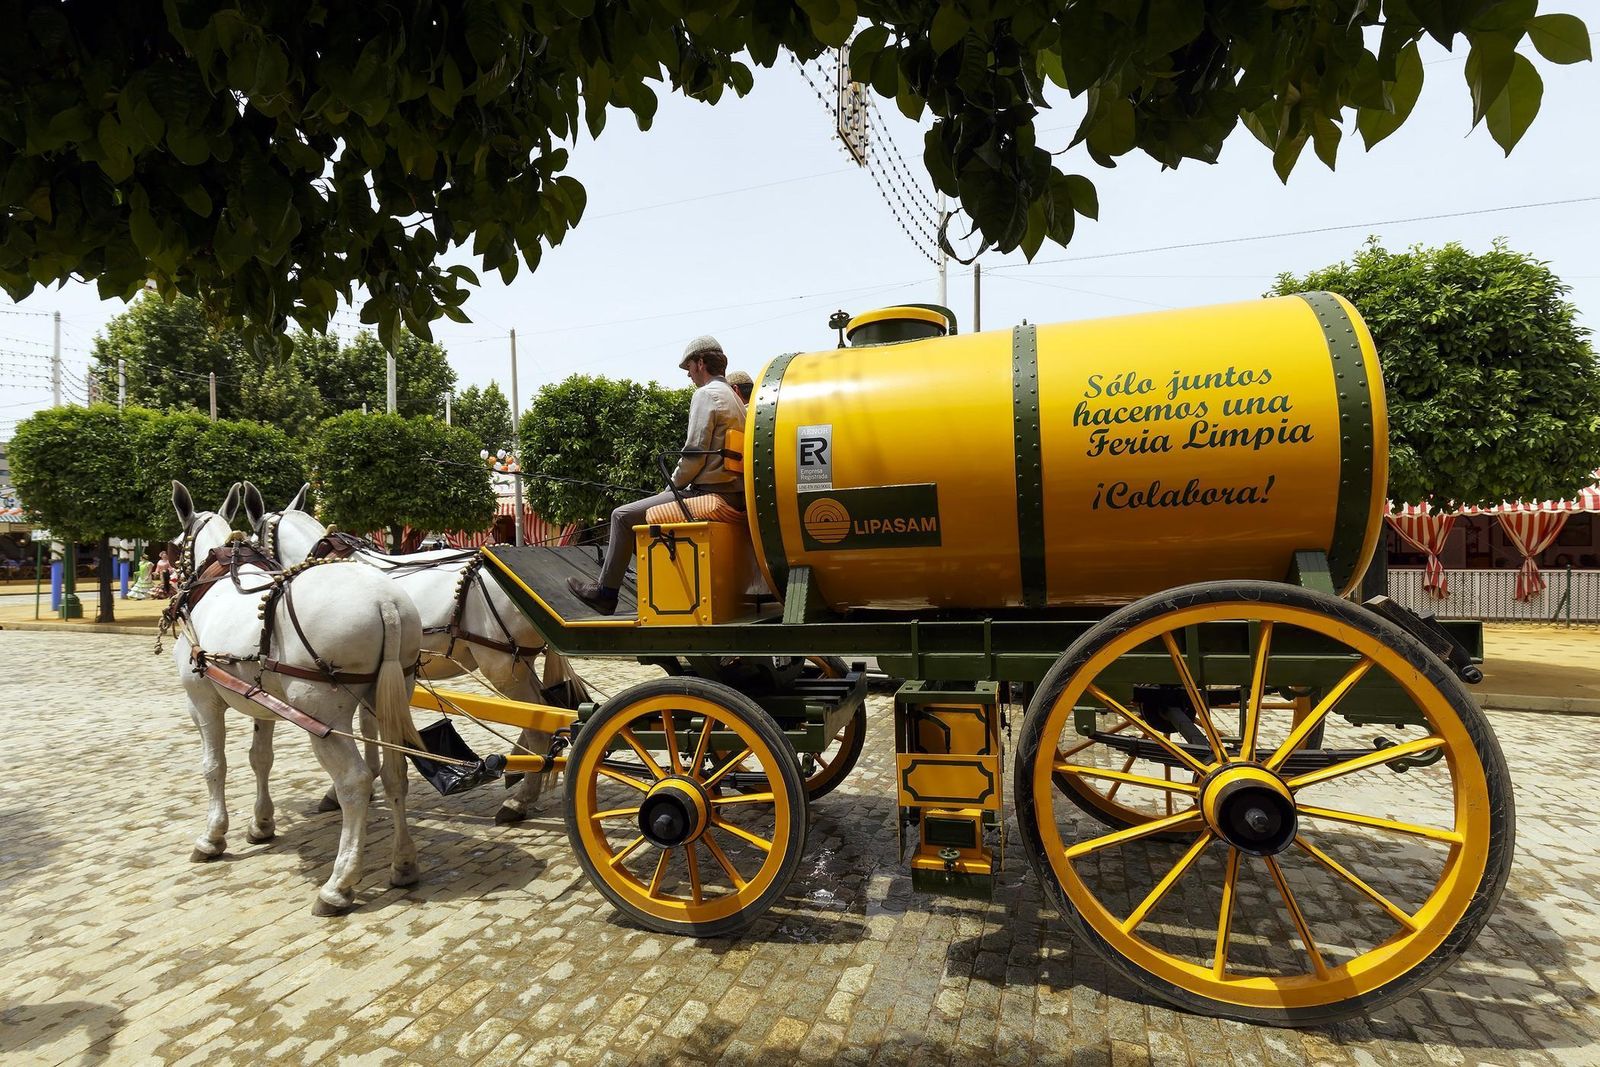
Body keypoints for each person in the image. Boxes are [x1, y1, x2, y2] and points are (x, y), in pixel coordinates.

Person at [568, 335, 746, 615]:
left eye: (689, 367)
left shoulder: (706, 394)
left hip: (708, 492)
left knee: (621, 516)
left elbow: (694, 455)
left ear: (701, 363)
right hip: (734, 494)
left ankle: (606, 593)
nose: (688, 374)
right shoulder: (735, 399)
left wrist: (670, 489)